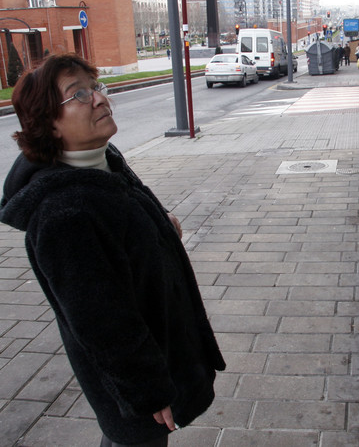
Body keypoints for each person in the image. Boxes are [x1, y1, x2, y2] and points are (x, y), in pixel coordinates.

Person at [0, 53, 226, 446]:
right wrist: (146, 390)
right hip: (136, 381)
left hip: (163, 349)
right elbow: (101, 321)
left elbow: (125, 218)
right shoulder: (63, 213)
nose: (100, 99)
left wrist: (159, 223)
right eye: (79, 94)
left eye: (97, 87)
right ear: (48, 123)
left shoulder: (104, 161)